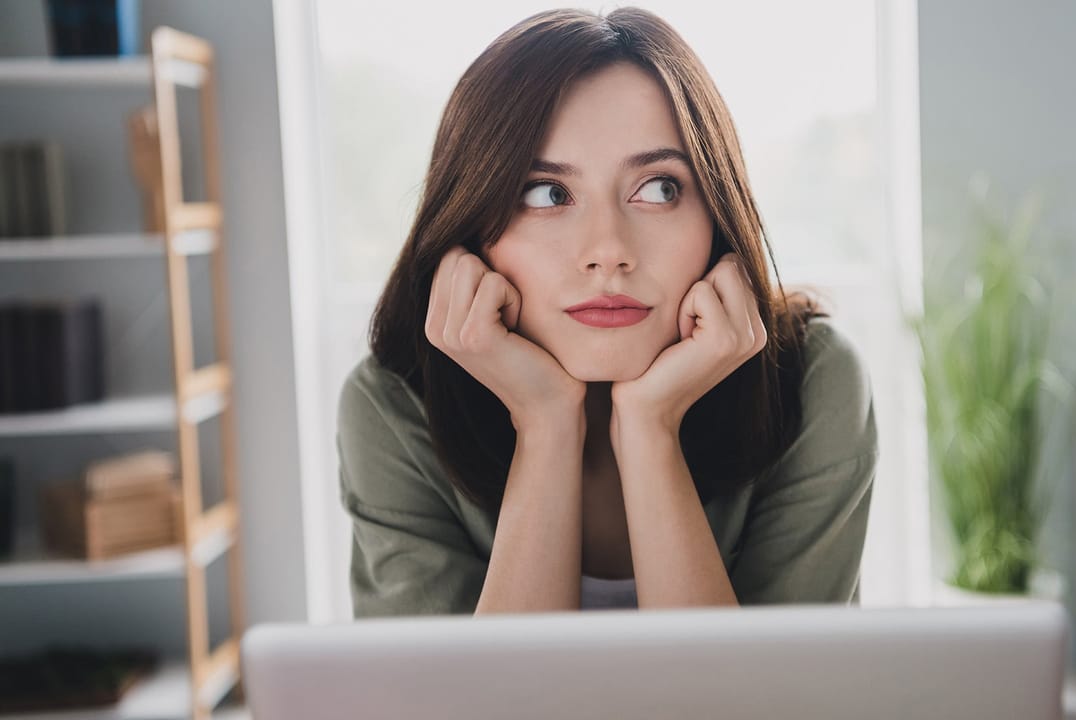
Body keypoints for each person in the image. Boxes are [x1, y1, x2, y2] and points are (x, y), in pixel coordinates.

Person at [337, 6, 878, 616]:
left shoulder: (813, 382)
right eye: (546, 194)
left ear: (717, 215)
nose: (608, 253)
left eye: (659, 188)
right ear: (468, 229)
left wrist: (651, 428)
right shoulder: (392, 408)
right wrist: (544, 424)